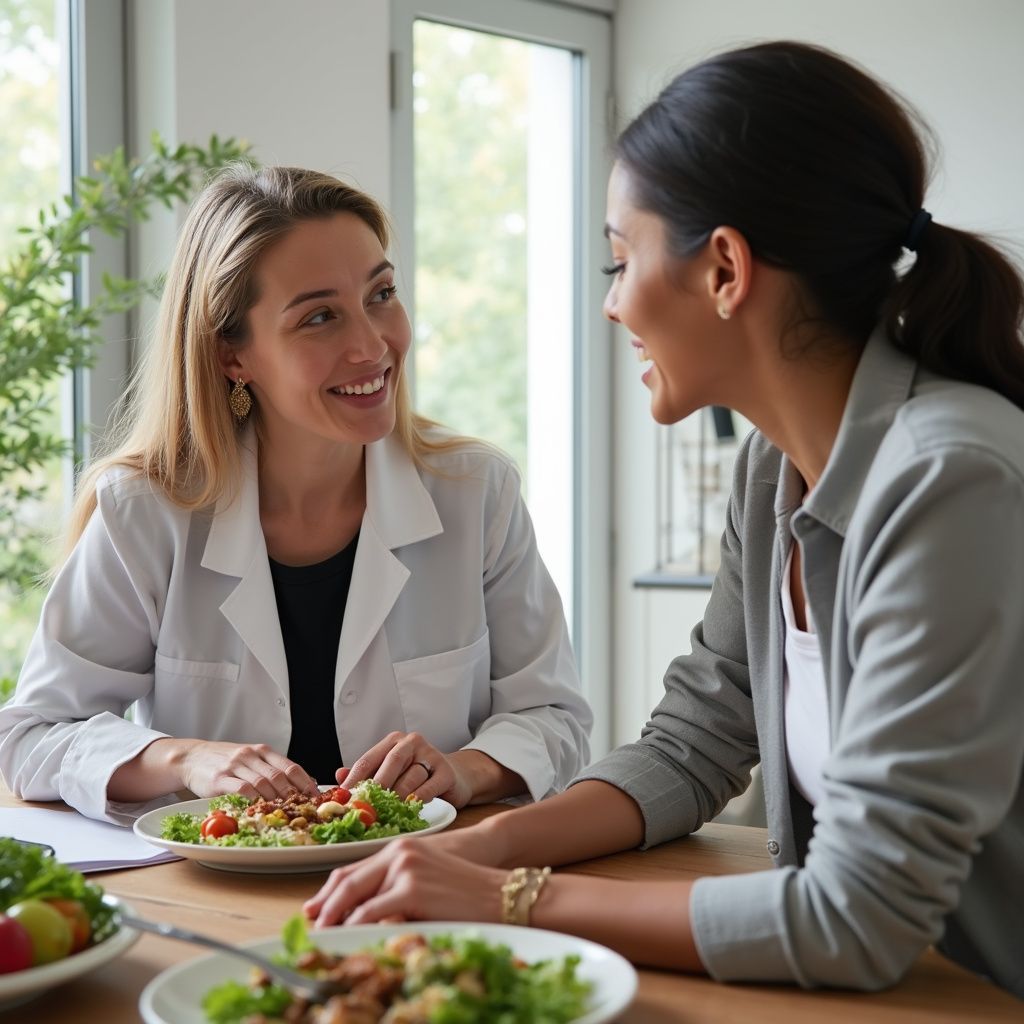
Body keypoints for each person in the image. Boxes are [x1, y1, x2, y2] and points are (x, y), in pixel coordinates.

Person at [302, 41, 1024, 999]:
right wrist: (472, 846)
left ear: (725, 268)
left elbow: (859, 917)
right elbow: (697, 740)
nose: (609, 305)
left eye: (619, 257)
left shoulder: (951, 480)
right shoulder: (775, 466)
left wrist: (509, 897)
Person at [0, 166, 591, 825]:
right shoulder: (147, 510)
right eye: (319, 318)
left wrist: (464, 770)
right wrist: (185, 759)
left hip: (425, 886)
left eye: (382, 294)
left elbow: (554, 717)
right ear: (232, 355)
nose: (372, 344)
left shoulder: (476, 492)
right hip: (211, 892)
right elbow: (32, 734)